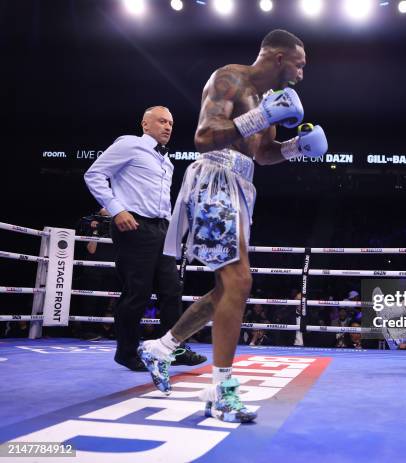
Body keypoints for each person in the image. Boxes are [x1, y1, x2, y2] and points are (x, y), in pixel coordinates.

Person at [138, 29, 328, 423]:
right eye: (299, 64)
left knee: (227, 287)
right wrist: (260, 116)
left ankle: (160, 347)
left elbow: (262, 155)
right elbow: (204, 136)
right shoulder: (230, 78)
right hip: (214, 178)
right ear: (278, 57)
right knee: (239, 282)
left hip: (243, 186)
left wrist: (296, 148)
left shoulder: (269, 101)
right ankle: (221, 390)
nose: (302, 74)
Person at [84, 106, 206, 371]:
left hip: (162, 229)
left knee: (172, 289)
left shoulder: (167, 161)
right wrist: (117, 209)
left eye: (171, 123)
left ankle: (174, 347)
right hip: (133, 226)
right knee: (137, 292)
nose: (168, 127)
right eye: (162, 121)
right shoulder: (129, 144)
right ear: (145, 124)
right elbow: (94, 174)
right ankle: (126, 352)